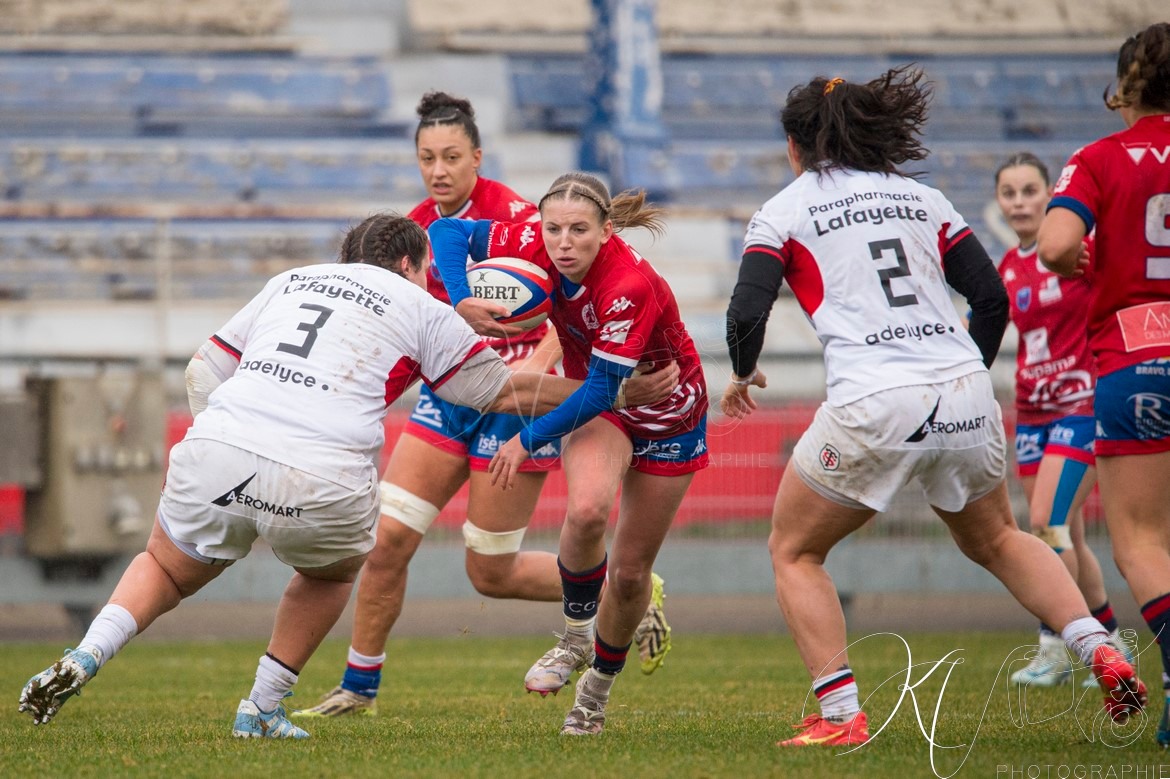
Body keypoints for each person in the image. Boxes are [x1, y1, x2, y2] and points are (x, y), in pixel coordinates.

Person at [16, 214, 616, 738]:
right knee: (330, 575)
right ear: (411, 265)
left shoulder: (290, 280)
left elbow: (202, 371)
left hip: (219, 446)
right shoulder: (422, 305)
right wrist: (610, 390)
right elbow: (502, 393)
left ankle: (86, 655)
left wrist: (220, 446)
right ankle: (262, 707)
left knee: (167, 567)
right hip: (322, 472)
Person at [722, 67, 1147, 749]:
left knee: (794, 550)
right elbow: (992, 299)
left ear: (796, 146)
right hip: (964, 390)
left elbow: (746, 312)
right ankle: (1100, 646)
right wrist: (961, 381)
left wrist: (743, 373)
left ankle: (841, 716)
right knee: (1001, 539)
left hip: (873, 398)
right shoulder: (925, 198)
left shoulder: (785, 209)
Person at [296, 93, 675, 718]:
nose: (438, 170)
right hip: (447, 398)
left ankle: (625, 588)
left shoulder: (519, 216)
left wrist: (539, 359)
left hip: (514, 403)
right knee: (386, 541)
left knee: (489, 573)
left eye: (451, 157)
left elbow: (567, 306)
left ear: (477, 157)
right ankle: (358, 688)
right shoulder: (417, 229)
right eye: (427, 158)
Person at [428, 172, 709, 735]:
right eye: (553, 229)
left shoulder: (628, 284)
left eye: (579, 230)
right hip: (609, 409)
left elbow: (602, 389)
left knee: (629, 574)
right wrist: (462, 300)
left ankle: (594, 694)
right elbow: (446, 232)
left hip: (669, 415)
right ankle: (576, 637)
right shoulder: (534, 240)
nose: (562, 243)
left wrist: (525, 438)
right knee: (585, 512)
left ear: (606, 231)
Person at [1037, 22, 1170, 746]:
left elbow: (1056, 244)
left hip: (1137, 353)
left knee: (1143, 542)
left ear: (1126, 87)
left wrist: (1077, 260)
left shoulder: (1098, 158)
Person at [994, 152, 1130, 688]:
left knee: (1046, 526)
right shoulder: (1008, 267)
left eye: (1030, 190)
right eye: (1009, 193)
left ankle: (1055, 646)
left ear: (1051, 194)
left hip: (1083, 403)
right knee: (1064, 532)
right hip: (1032, 412)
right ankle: (1111, 641)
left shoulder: (1079, 250)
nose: (1020, 202)